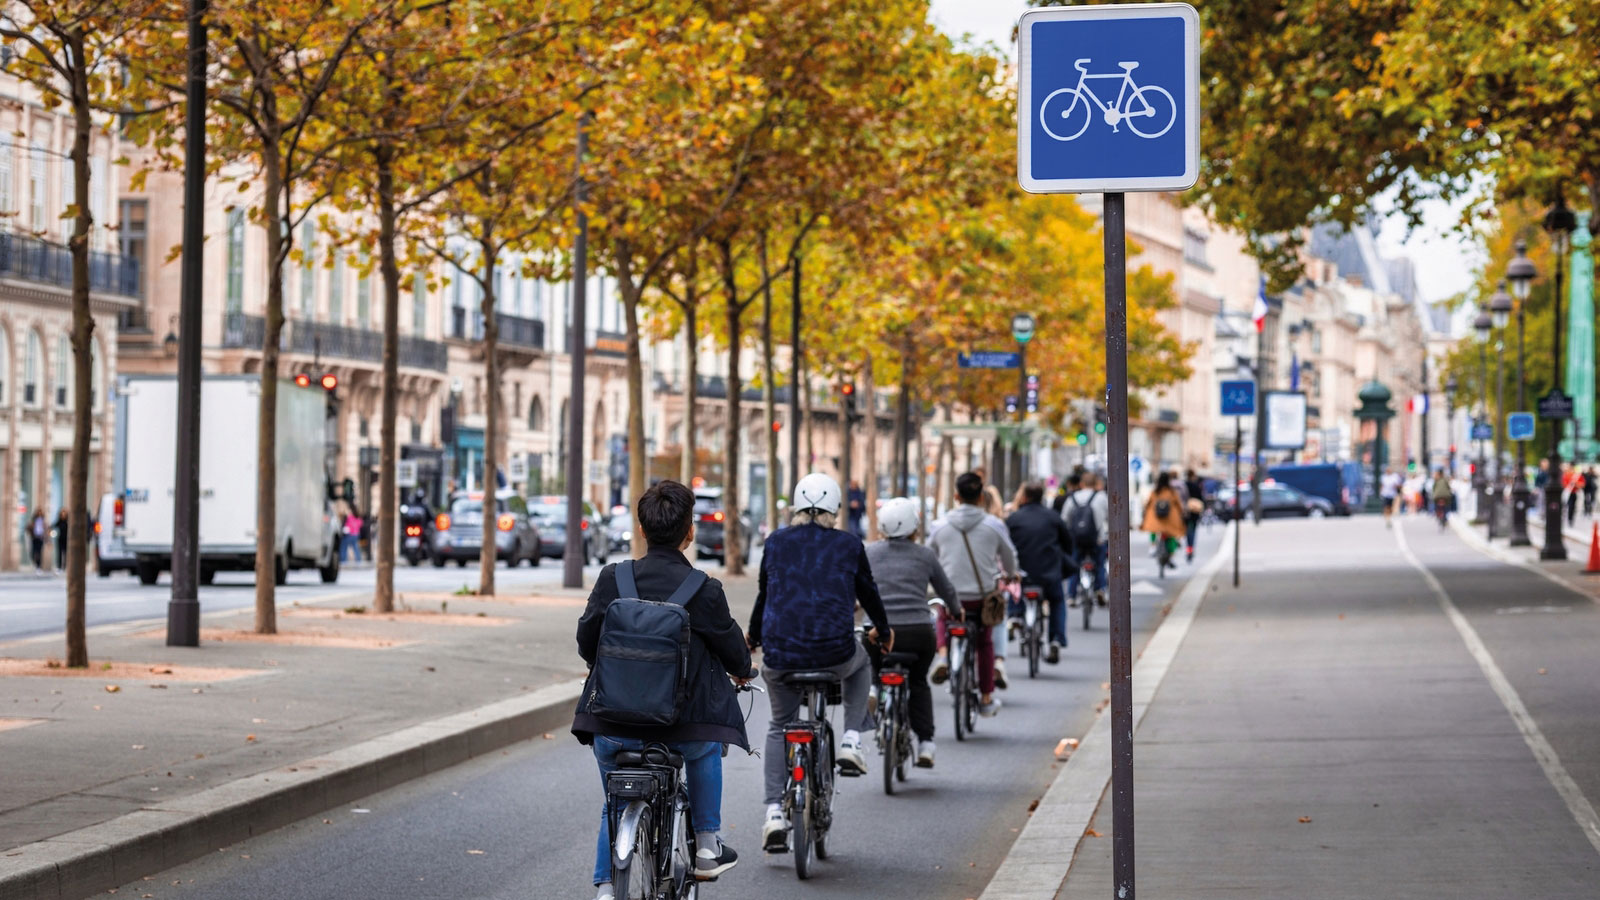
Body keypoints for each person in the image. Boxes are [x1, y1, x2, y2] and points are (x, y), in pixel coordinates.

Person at [573, 479, 754, 897]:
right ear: (689, 531)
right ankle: (708, 844)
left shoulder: (611, 579)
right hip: (681, 731)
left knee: (615, 803)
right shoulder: (705, 589)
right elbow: (731, 648)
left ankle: (605, 889)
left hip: (612, 725)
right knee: (706, 747)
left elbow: (586, 641)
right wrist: (744, 670)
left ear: (642, 529)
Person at [749, 473, 893, 851]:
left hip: (780, 656)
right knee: (862, 663)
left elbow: (766, 594)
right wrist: (884, 628)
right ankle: (849, 739)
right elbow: (868, 591)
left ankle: (774, 814)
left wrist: (753, 637)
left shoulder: (776, 541)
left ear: (796, 507)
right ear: (836, 510)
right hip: (834, 652)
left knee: (780, 725)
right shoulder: (848, 543)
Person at [867, 497, 958, 768]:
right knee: (918, 682)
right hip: (919, 633)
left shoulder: (869, 553)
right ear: (915, 527)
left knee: (872, 661)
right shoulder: (925, 555)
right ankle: (927, 743)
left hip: (880, 633)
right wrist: (956, 610)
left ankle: (874, 686)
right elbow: (946, 590)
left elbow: (854, 587)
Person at [928, 472, 1018, 717]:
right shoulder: (994, 525)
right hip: (981, 598)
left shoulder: (939, 526)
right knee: (985, 641)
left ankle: (944, 656)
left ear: (956, 496)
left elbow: (929, 557)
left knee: (943, 613)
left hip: (952, 598)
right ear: (981, 497)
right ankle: (986, 698)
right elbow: (1009, 558)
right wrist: (1011, 574)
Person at [1006, 482, 1073, 664]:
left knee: (1013, 585)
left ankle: (1014, 616)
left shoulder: (1014, 518)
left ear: (1024, 497)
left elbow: (1005, 547)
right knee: (1057, 601)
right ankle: (1056, 640)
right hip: (1049, 573)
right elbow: (1067, 543)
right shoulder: (1053, 517)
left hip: (1023, 573)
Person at [1064, 473, 1109, 609]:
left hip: (1077, 540)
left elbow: (1064, 519)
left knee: (1075, 566)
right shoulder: (1101, 497)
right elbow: (1109, 516)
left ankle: (1071, 596)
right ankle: (1100, 589)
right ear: (1096, 484)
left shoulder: (1073, 498)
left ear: (1082, 484)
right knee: (1100, 564)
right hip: (1098, 539)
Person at [1141, 473, 1186, 570]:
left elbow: (1147, 503)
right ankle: (1172, 556)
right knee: (1172, 535)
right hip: (1170, 519)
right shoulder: (1172, 492)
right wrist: (1182, 513)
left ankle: (1152, 547)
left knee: (1153, 529)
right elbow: (1179, 505)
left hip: (1156, 518)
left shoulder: (1155, 491)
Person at [29, 508, 46, 574]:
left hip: (40, 538)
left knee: (39, 552)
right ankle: (35, 563)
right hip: (34, 538)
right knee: (33, 552)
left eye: (40, 512)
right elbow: (29, 527)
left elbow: (46, 529)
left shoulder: (43, 521)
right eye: (38, 512)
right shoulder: (33, 520)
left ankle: (39, 567)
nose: (39, 514)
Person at [53, 508, 69, 572]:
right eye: (62, 514)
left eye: (64, 513)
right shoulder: (59, 521)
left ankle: (64, 567)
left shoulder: (68, 521)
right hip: (60, 539)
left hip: (66, 539)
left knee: (65, 554)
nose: (63, 515)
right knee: (59, 553)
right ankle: (59, 566)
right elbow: (53, 525)